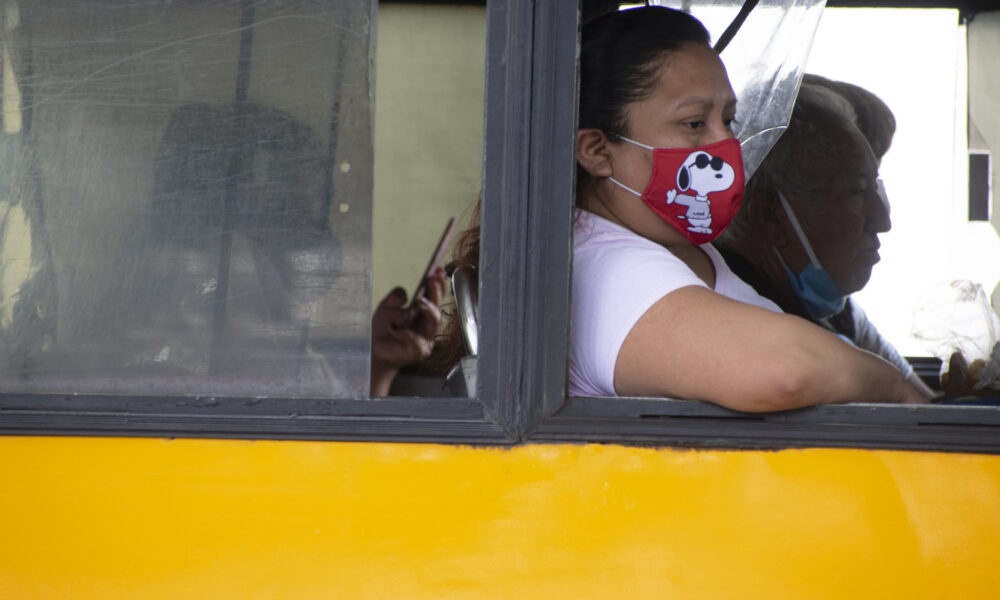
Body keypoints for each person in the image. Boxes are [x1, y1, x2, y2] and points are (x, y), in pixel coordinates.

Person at [566, 6, 927, 410]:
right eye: (693, 124)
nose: (725, 145)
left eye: (728, 120)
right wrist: (897, 389)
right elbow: (786, 370)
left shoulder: (671, 248)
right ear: (597, 150)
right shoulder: (608, 268)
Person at [716, 79, 936, 400]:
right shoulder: (733, 320)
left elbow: (925, 407)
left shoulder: (838, 314)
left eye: (876, 188)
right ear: (773, 216)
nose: (882, 220)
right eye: (857, 192)